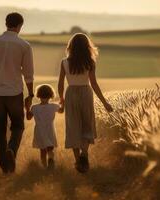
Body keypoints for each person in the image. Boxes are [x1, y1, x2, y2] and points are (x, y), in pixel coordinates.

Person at [0, 12, 34, 174]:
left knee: (0, 130)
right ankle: (11, 150)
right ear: (20, 26)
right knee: (18, 126)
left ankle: (5, 167)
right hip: (14, 93)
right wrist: (30, 94)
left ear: (6, 23)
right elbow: (28, 74)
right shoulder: (24, 46)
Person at [58, 33, 113, 173]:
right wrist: (105, 102)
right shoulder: (90, 62)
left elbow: (60, 83)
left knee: (73, 126)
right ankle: (84, 153)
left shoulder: (64, 62)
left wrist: (61, 100)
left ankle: (78, 161)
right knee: (87, 124)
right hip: (86, 93)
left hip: (71, 94)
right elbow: (94, 84)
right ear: (86, 46)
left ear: (71, 46)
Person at [25, 84, 64, 169]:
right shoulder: (53, 106)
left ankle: (45, 166)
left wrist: (27, 108)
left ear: (38, 95)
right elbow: (61, 111)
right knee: (50, 148)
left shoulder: (34, 107)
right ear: (51, 95)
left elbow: (28, 118)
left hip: (39, 131)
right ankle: (50, 159)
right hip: (50, 129)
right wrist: (63, 102)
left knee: (42, 150)